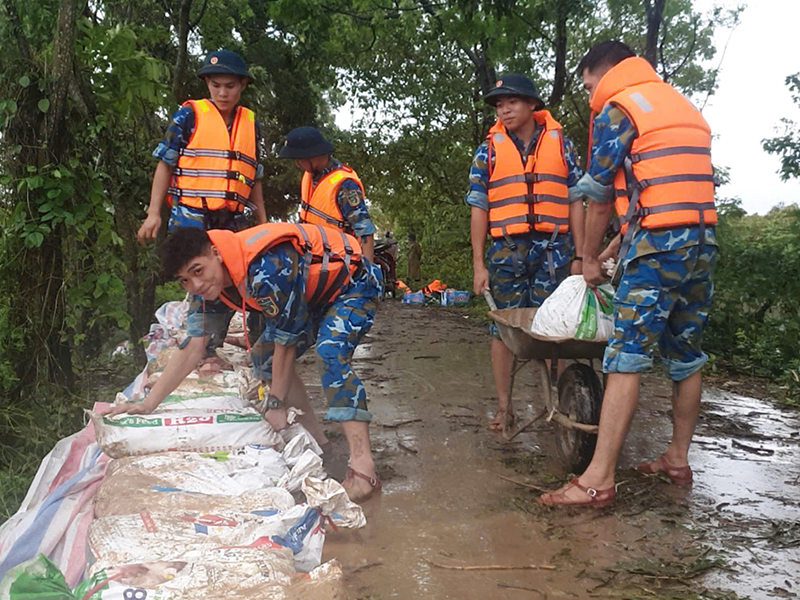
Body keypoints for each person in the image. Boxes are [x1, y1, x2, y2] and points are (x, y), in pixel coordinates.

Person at [539, 41, 717, 507]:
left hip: (657, 249)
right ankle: (676, 457)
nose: (591, 92)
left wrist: (589, 257)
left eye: (588, 82)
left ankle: (596, 479)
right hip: (701, 244)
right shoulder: (679, 105)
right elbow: (665, 189)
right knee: (686, 355)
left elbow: (597, 198)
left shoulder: (622, 107)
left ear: (603, 70)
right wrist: (622, 241)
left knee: (626, 355)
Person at [100, 223, 384, 502]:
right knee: (262, 357)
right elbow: (192, 348)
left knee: (330, 353)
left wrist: (276, 403)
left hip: (352, 284)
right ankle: (321, 445)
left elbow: (286, 340)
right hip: (311, 295)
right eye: (184, 280)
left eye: (198, 271)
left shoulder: (266, 267)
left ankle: (363, 470)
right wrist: (148, 404)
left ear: (215, 253)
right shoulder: (206, 289)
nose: (195, 285)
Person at [466, 73, 585, 432]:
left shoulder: (561, 144)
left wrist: (580, 255)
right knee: (502, 331)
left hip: (555, 250)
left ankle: (562, 405)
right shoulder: (487, 150)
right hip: (507, 251)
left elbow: (576, 199)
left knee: (557, 330)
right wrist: (478, 263)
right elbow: (478, 206)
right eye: (499, 105)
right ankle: (505, 408)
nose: (504, 110)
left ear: (533, 104)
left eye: (512, 102)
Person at [137, 50, 267, 241]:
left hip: (233, 226)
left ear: (242, 84)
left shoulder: (250, 124)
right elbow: (165, 164)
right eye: (216, 85)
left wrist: (264, 224)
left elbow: (253, 176)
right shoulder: (189, 115)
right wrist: (153, 213)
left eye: (230, 86)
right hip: (190, 220)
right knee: (190, 269)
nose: (222, 93)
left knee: (234, 271)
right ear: (207, 83)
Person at [278, 127, 375, 262]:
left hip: (340, 263)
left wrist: (369, 274)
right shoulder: (310, 177)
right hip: (312, 257)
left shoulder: (345, 186)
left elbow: (365, 233)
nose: (297, 164)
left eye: (299, 159)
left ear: (313, 155)